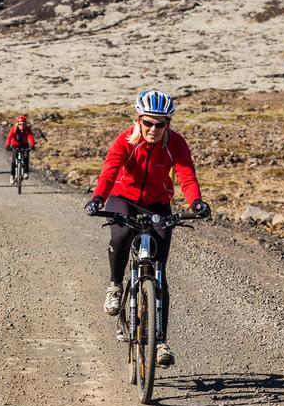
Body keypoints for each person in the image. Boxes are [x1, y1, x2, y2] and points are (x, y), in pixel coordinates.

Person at [82, 89, 210, 368]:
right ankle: (116, 285)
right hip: (123, 198)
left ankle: (160, 340)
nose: (154, 129)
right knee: (122, 234)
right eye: (148, 122)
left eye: (160, 123)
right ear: (138, 120)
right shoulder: (125, 141)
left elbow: (186, 173)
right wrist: (98, 199)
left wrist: (196, 202)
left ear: (169, 124)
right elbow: (110, 170)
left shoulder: (175, 143)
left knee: (160, 272)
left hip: (157, 203)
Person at [5, 115, 36, 185]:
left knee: (26, 157)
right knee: (13, 161)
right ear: (17, 123)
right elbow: (9, 138)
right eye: (20, 124)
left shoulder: (27, 129)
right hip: (15, 145)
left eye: (23, 123)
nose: (21, 125)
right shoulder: (14, 129)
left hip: (24, 145)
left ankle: (26, 172)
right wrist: (7, 145)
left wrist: (32, 145)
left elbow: (30, 137)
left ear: (25, 123)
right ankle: (12, 176)